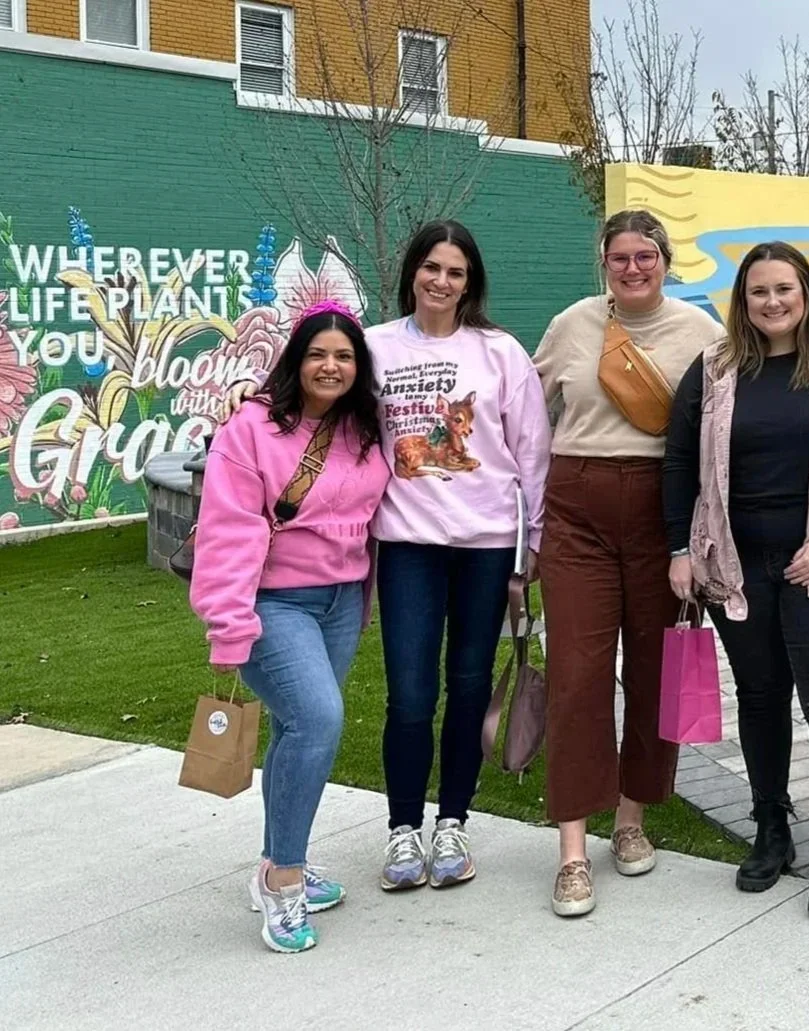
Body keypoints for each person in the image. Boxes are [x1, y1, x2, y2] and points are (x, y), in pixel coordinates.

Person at [223, 221, 550, 893]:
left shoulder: (500, 353)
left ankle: (452, 821)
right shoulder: (375, 347)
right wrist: (251, 399)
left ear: (470, 281)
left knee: (467, 685)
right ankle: (403, 828)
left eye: (455, 271)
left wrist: (534, 540)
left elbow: (533, 453)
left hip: (486, 548)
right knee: (410, 693)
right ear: (412, 272)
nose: (441, 281)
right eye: (432, 267)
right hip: (405, 547)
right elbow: (317, 396)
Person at [663, 241, 809, 918]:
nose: (772, 302)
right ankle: (771, 826)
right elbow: (677, 463)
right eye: (758, 291)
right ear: (742, 300)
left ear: (806, 293)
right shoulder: (715, 369)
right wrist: (679, 548)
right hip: (736, 568)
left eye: (783, 288)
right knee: (760, 699)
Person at [534, 209, 720, 917]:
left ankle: (632, 819)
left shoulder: (702, 334)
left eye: (646, 255)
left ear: (665, 260)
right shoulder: (572, 324)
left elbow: (724, 428)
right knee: (576, 676)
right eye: (620, 257)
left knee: (654, 670)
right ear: (604, 263)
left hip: (662, 513)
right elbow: (522, 409)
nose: (633, 267)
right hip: (576, 508)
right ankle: (573, 849)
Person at [191, 302, 391, 953]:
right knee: (318, 718)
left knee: (297, 727)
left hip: (337, 603)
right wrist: (228, 625)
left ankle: (281, 855)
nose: (329, 365)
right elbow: (228, 528)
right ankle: (282, 879)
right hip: (274, 604)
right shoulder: (250, 428)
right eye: (317, 353)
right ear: (294, 360)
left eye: (343, 355)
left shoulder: (365, 427)